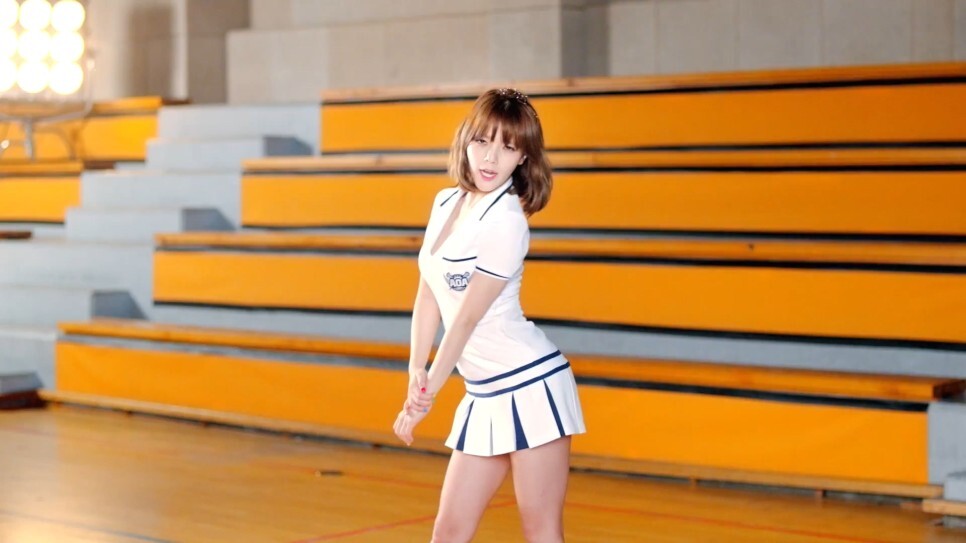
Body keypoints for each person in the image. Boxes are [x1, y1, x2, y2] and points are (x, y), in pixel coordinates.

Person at [393, 88, 586, 543]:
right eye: (482, 141)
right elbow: (429, 292)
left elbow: (466, 320)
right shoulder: (445, 202)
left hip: (531, 385)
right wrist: (416, 367)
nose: (491, 157)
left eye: (508, 147)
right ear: (466, 139)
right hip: (483, 392)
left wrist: (426, 395)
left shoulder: (508, 221)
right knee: (448, 533)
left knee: (541, 532)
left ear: (523, 158)